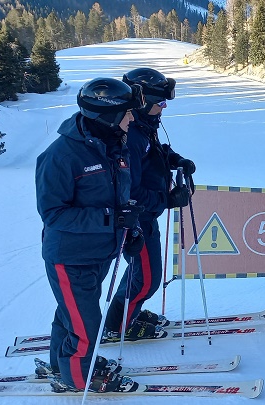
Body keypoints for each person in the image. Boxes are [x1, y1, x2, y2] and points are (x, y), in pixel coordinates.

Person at [35, 77, 145, 392]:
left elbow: (119, 199)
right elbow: (54, 214)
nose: (132, 118)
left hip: (99, 253)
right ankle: (79, 378)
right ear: (107, 115)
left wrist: (130, 227)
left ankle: (61, 365)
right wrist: (112, 218)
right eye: (126, 113)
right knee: (87, 326)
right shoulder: (61, 155)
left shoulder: (115, 147)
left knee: (71, 314)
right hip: (69, 256)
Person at [101, 67, 195, 341]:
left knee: (141, 273)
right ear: (143, 103)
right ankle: (119, 327)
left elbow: (155, 152)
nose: (164, 108)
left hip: (145, 216)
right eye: (161, 103)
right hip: (136, 220)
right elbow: (130, 191)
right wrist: (167, 199)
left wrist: (175, 159)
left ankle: (128, 312)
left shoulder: (142, 126)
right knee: (148, 279)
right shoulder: (132, 137)